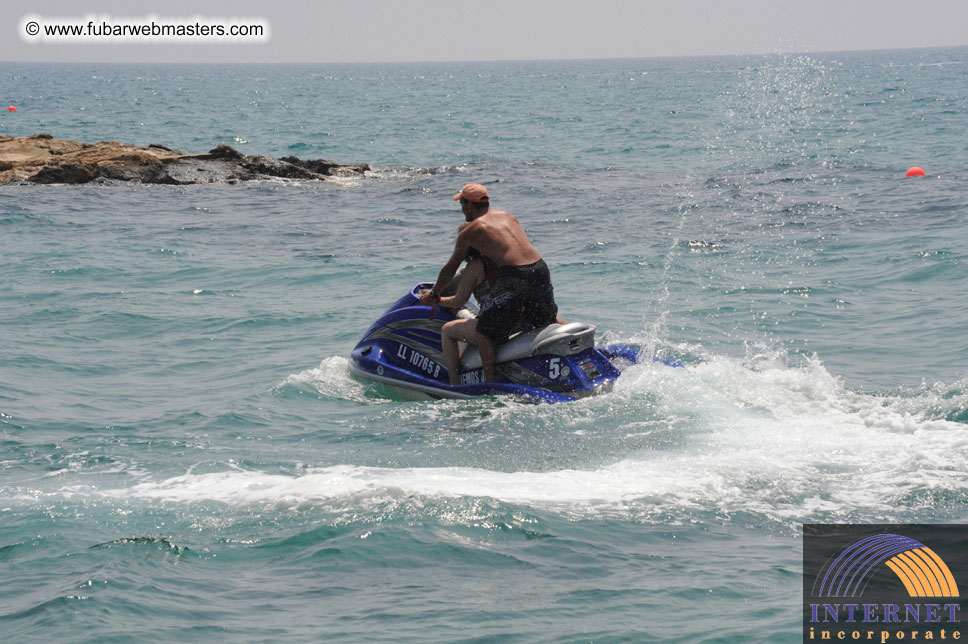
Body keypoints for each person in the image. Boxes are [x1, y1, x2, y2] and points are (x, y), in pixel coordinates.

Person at [419, 183, 559, 383]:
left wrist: (434, 295)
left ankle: (491, 384)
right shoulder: (507, 216)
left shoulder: (470, 231)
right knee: (545, 321)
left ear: (469, 205)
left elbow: (449, 269)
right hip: (539, 269)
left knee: (485, 331)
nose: (461, 208)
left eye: (462, 203)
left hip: (515, 276)